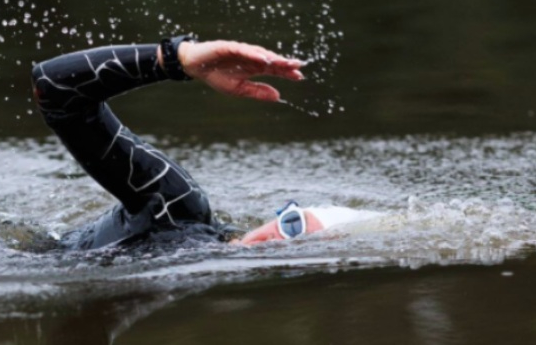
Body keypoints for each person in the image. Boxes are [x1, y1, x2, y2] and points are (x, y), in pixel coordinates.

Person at [31, 35, 380, 250]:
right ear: (281, 215)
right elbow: (54, 86)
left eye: (300, 257)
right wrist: (176, 59)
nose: (279, 248)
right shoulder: (178, 208)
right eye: (293, 227)